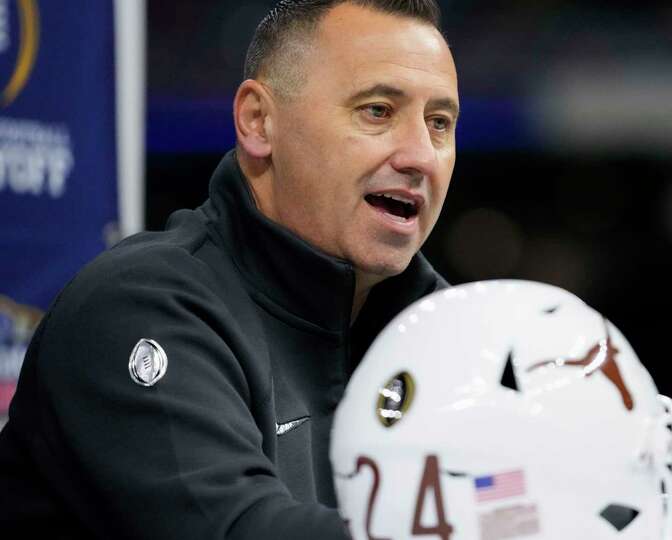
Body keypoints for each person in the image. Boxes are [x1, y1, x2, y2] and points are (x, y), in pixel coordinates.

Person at [0, 1, 455, 538]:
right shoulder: (136, 307)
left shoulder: (453, 335)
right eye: (377, 111)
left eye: (439, 123)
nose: (421, 156)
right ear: (259, 122)